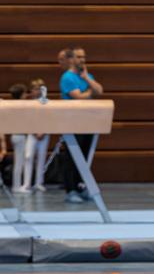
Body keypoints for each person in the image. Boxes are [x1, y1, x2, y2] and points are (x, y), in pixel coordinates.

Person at [60, 47, 103, 204]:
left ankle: (80, 187)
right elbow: (78, 97)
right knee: (71, 157)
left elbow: (99, 90)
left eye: (84, 57)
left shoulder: (86, 76)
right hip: (72, 122)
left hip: (87, 122)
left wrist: (87, 78)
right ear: (72, 59)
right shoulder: (67, 77)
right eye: (79, 57)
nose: (82, 60)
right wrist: (90, 93)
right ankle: (70, 190)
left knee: (84, 157)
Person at [21, 79, 50, 193]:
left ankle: (39, 183)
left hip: (44, 133)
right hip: (32, 133)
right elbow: (27, 120)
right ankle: (27, 183)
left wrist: (43, 132)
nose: (36, 91)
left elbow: (49, 119)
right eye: (34, 89)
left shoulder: (46, 102)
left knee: (41, 158)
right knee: (28, 157)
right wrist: (34, 132)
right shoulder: (28, 103)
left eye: (38, 89)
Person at [8, 83, 30, 194]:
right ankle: (16, 186)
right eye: (25, 93)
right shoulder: (21, 106)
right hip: (19, 136)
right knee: (19, 163)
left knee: (19, 162)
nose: (26, 95)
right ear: (21, 95)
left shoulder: (12, 104)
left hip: (16, 135)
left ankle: (17, 185)